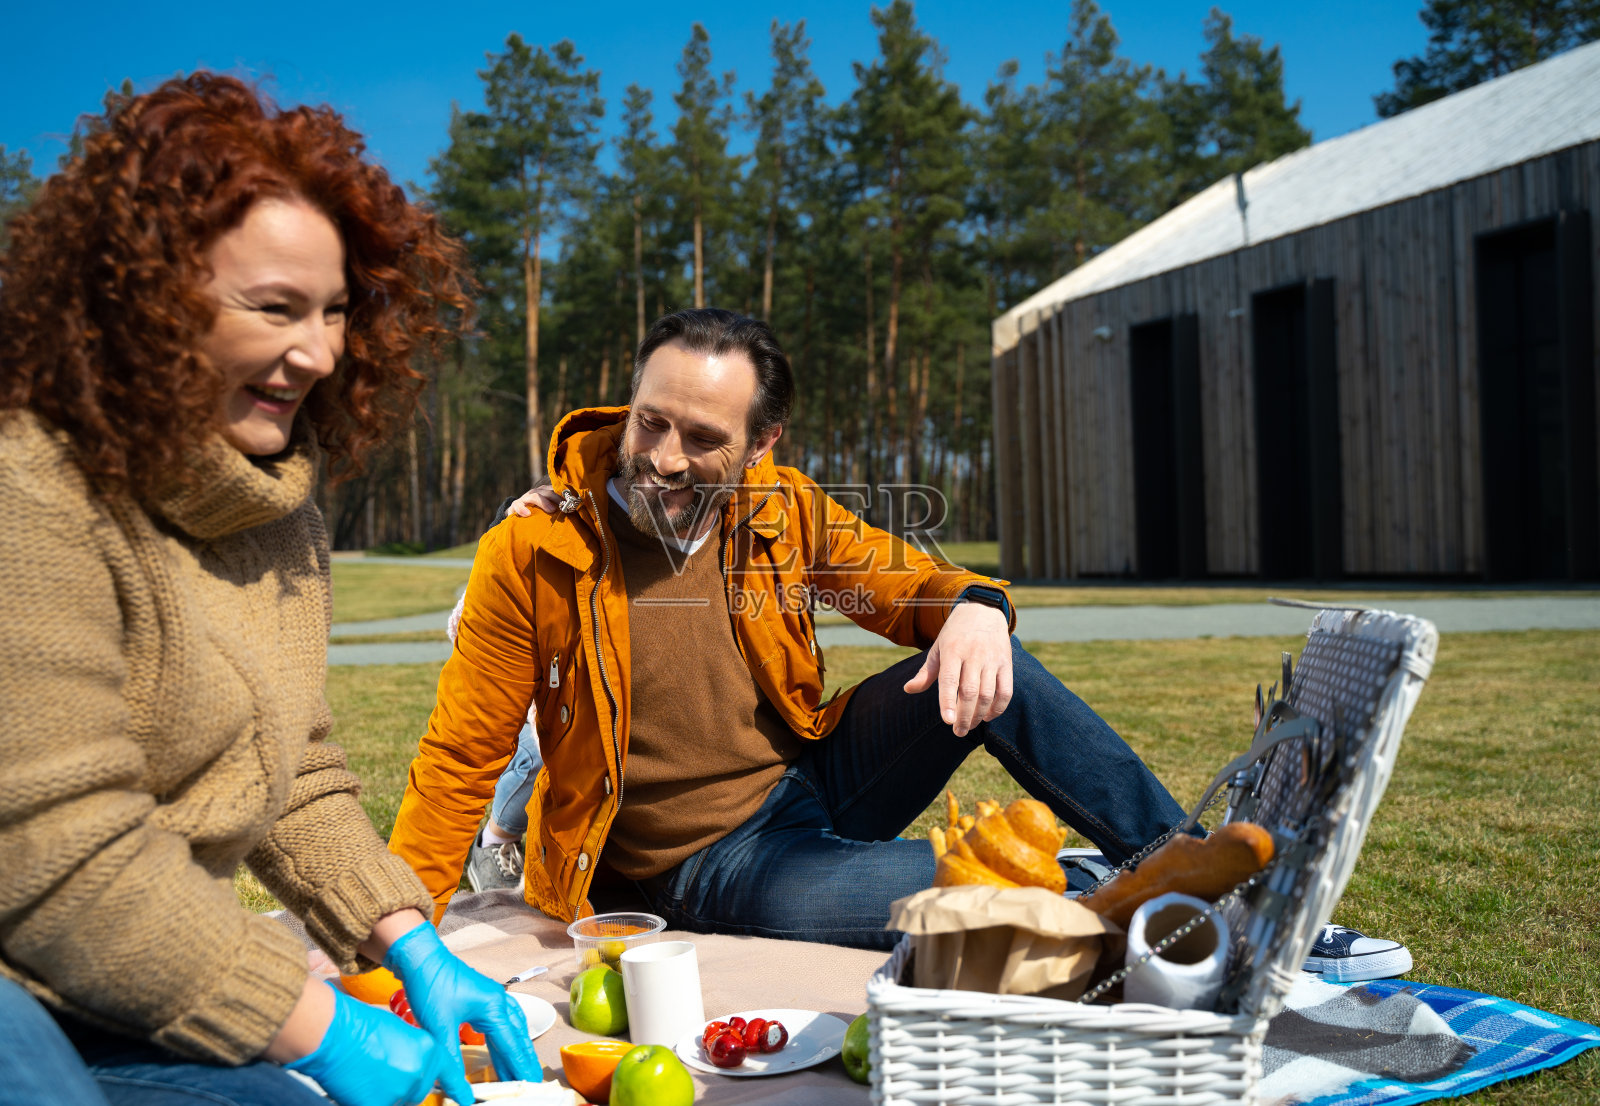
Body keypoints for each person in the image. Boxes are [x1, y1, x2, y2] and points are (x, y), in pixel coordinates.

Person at [0, 75, 541, 1106]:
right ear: (145, 304)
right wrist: (320, 1020)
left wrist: (408, 940)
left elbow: (290, 763)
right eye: (275, 308)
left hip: (131, 984)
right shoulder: (28, 488)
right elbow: (56, 857)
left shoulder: (278, 505)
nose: (319, 351)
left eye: (336, 311)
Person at [389, 307, 1194, 950]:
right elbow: (462, 758)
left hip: (814, 777)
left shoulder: (784, 509)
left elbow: (909, 586)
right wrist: (399, 949)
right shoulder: (532, 551)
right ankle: (1146, 898)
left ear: (761, 444)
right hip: (707, 862)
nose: (664, 459)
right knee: (997, 893)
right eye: (650, 422)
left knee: (989, 651)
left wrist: (978, 604)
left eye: (704, 439)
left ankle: (1188, 860)